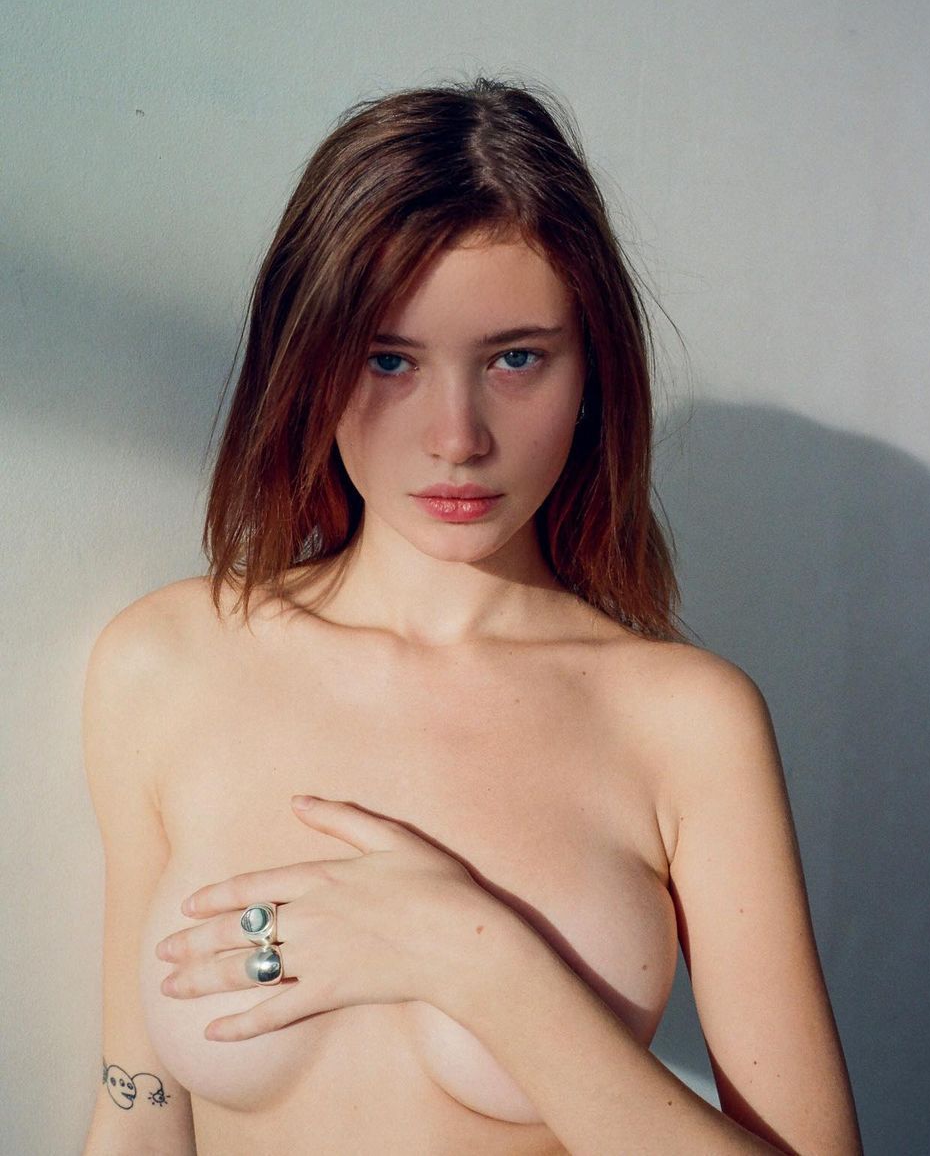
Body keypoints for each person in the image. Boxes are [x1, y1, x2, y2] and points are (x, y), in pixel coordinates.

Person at [81, 77, 862, 1155]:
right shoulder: (164, 664)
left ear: (592, 373)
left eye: (515, 358)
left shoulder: (686, 722)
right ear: (306, 363)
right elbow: (136, 1113)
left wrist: (480, 959)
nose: (457, 436)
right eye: (389, 359)